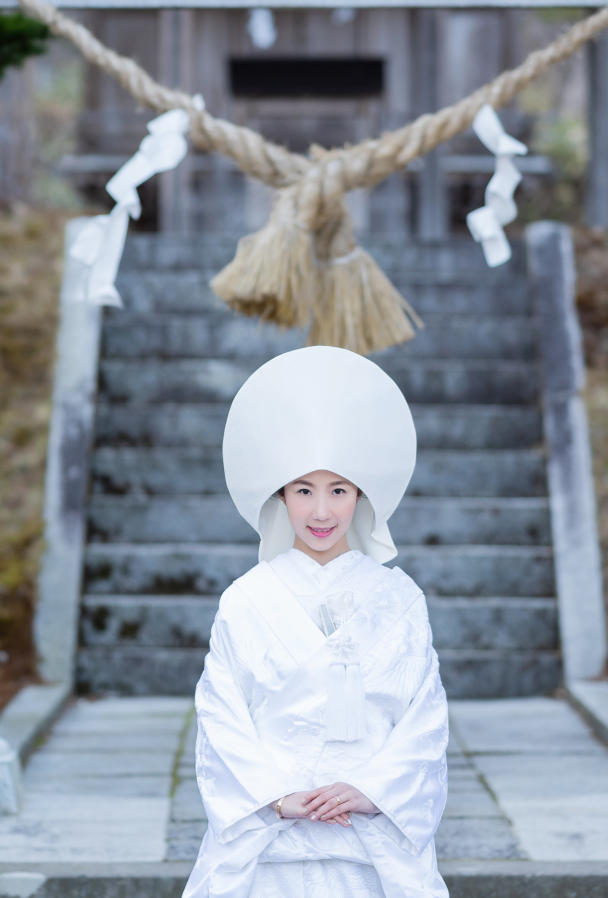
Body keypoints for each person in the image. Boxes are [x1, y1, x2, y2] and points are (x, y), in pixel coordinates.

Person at [183, 346, 449, 898]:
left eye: (338, 491)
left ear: (360, 496)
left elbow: (424, 716)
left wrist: (371, 789)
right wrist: (274, 797)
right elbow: (221, 715)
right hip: (271, 826)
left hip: (368, 826)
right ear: (282, 496)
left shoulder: (399, 598)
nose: (321, 512)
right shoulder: (246, 599)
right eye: (304, 490)